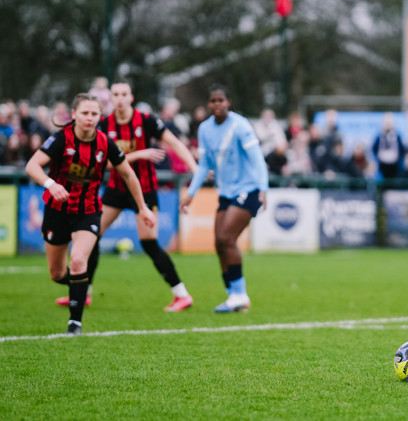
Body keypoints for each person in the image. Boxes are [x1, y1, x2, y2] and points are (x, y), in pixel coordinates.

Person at [53, 82, 199, 311]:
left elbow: (174, 143)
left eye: (124, 94)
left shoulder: (146, 120)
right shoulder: (104, 124)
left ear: (131, 97)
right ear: (110, 98)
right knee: (92, 236)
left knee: (149, 243)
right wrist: (139, 154)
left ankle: (181, 294)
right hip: (116, 190)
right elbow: (107, 163)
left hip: (145, 189)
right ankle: (85, 293)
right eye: (115, 95)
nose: (120, 99)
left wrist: (195, 169)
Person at [25, 93, 156, 335]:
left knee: (78, 260)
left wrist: (143, 207)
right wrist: (50, 184)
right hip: (57, 212)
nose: (89, 118)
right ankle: (80, 286)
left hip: (88, 211)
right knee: (56, 274)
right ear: (74, 115)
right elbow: (32, 166)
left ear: (100, 116)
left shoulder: (106, 143)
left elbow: (128, 174)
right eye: (84, 113)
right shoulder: (60, 139)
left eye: (94, 114)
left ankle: (75, 323)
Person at [180, 85, 269, 313]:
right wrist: (191, 193)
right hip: (226, 192)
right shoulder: (205, 129)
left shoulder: (241, 126)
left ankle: (240, 295)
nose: (217, 104)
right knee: (219, 243)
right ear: (209, 104)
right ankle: (233, 295)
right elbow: (204, 165)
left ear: (228, 102)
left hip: (248, 190)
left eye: (221, 100)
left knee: (226, 237)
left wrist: (263, 188)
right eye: (213, 101)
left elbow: (257, 158)